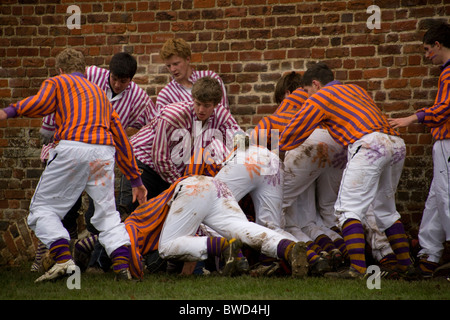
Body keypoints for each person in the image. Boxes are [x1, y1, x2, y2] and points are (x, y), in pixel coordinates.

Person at [0, 49, 147, 282]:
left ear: (60, 70)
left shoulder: (59, 82)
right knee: (108, 215)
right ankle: (121, 266)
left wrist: (8, 111)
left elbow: (40, 104)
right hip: (103, 153)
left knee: (43, 209)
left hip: (72, 148)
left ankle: (63, 259)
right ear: (84, 71)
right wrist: (135, 179)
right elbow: (120, 135)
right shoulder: (100, 95)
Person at [280, 62, 416, 279]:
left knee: (347, 209)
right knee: (386, 211)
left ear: (315, 84)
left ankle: (358, 269)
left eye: (306, 91)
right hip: (396, 143)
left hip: (369, 145)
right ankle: (406, 265)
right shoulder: (356, 89)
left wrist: (279, 144)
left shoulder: (321, 96)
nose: (306, 96)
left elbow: (294, 131)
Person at [388, 21, 450, 278]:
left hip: (448, 141)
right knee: (435, 200)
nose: (426, 56)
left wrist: (412, 118)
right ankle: (430, 255)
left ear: (437, 44)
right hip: (442, 143)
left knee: (446, 197)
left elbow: (446, 107)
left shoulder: (449, 73)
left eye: (427, 50)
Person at [127, 76, 241, 211]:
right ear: (192, 99)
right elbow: (160, 157)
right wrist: (183, 184)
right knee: (135, 211)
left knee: (163, 216)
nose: (201, 110)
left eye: (206, 105)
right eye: (198, 103)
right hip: (143, 159)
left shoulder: (221, 114)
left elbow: (239, 137)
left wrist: (247, 155)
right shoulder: (173, 116)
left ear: (215, 105)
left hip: (170, 169)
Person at [156, 38, 229, 111]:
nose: (172, 69)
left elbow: (223, 111)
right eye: (168, 66)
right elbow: (161, 121)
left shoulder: (211, 78)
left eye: (176, 64)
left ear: (187, 59)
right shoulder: (165, 95)